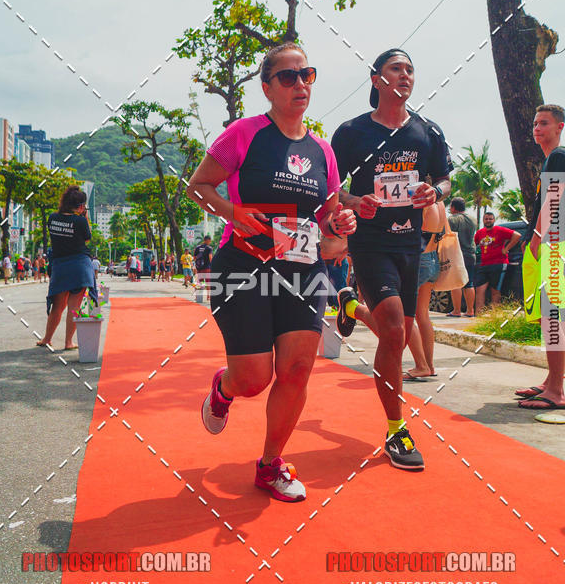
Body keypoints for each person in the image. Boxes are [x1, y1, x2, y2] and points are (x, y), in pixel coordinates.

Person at [187, 42, 356, 502]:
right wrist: (231, 211)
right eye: (288, 76)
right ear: (267, 87)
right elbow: (197, 187)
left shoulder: (323, 150)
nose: (300, 83)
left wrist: (342, 224)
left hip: (303, 271)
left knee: (299, 368)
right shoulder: (244, 133)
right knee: (254, 379)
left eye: (307, 75)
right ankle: (224, 390)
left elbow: (331, 224)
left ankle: (270, 465)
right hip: (243, 267)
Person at [331, 47, 453, 471]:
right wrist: (352, 200)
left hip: (410, 243)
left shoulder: (427, 132)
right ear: (376, 80)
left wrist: (435, 192)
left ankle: (348, 306)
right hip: (369, 243)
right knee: (397, 329)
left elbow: (445, 178)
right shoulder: (351, 133)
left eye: (410, 69)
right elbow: (331, 189)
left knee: (390, 328)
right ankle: (396, 428)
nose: (405, 75)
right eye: (395, 69)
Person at [517, 105, 565, 412]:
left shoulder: (558, 157)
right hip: (551, 245)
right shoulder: (550, 159)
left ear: (560, 126)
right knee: (549, 314)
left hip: (554, 246)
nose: (537, 128)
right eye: (535, 123)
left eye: (544, 123)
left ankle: (557, 391)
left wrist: (536, 238)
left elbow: (555, 197)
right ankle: (551, 381)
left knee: (553, 317)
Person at [36, 186, 97, 351]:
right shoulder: (80, 221)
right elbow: (86, 239)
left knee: (58, 305)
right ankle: (68, 342)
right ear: (80, 206)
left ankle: (47, 339)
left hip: (60, 265)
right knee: (74, 306)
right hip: (80, 265)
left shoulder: (52, 218)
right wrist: (84, 218)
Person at [404, 198, 446, 380]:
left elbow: (418, 232)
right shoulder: (441, 203)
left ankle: (421, 365)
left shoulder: (423, 201)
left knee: (404, 313)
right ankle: (429, 365)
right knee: (422, 315)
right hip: (433, 258)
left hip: (419, 258)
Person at [474, 211, 521, 310]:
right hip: (484, 264)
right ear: (483, 220)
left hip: (498, 263)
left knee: (495, 290)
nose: (488, 221)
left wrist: (506, 248)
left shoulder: (500, 230)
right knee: (479, 289)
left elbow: (517, 235)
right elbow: (474, 244)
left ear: (494, 220)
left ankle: (495, 315)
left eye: (490, 219)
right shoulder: (479, 233)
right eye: (486, 219)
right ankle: (478, 315)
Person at [447, 197, 476, 317]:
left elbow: (447, 235)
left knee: (456, 283)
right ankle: (470, 311)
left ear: (453, 207)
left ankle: (457, 310)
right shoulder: (473, 219)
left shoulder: (451, 219)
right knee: (469, 283)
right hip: (471, 254)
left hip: (457, 254)